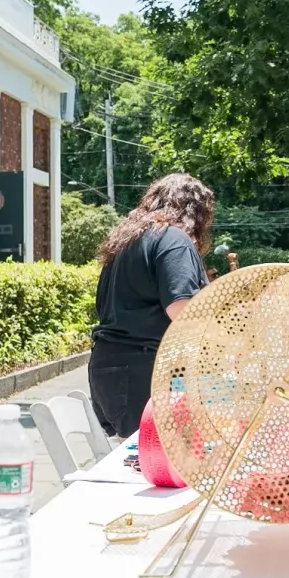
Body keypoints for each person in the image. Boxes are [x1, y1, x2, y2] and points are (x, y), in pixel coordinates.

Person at [88, 173, 215, 438]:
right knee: (161, 465)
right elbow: (181, 308)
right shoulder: (174, 239)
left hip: (109, 371)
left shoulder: (126, 241)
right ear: (197, 213)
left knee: (137, 463)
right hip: (145, 374)